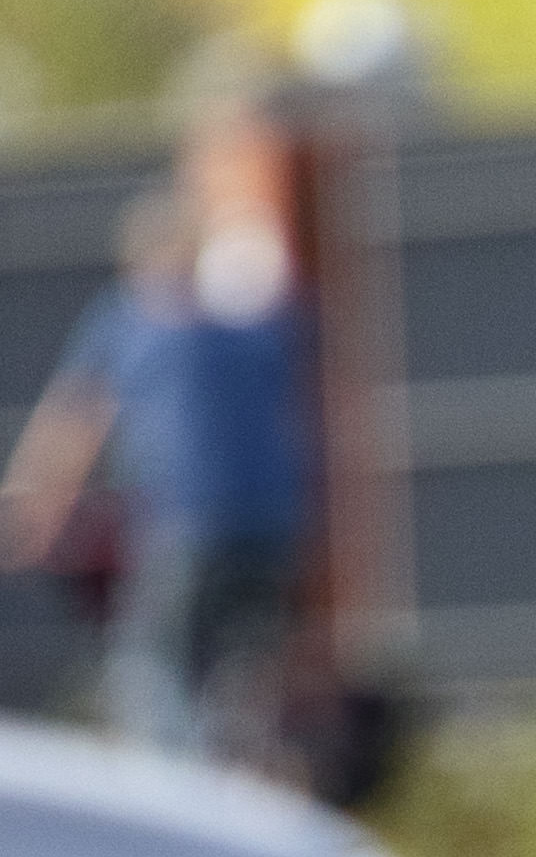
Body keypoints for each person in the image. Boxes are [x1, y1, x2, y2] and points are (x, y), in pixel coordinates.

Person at [0, 184, 310, 766]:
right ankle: (250, 774)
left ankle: (176, 786)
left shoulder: (129, 320)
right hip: (276, 525)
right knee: (244, 672)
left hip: (185, 521)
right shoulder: (257, 325)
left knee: (150, 663)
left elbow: (73, 423)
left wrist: (29, 511)